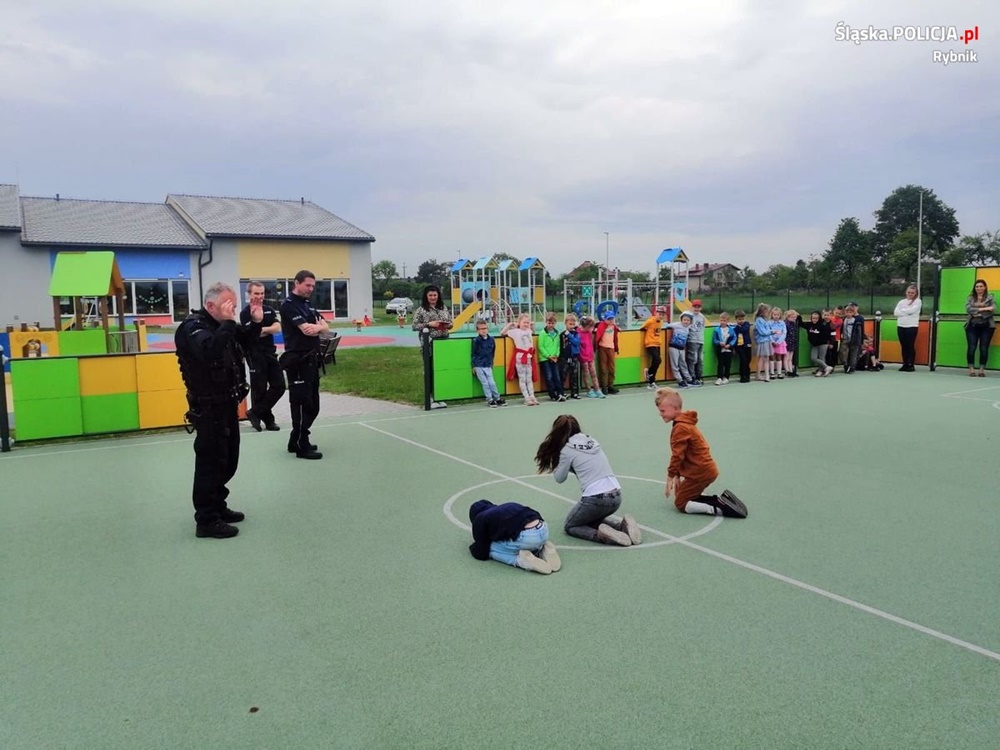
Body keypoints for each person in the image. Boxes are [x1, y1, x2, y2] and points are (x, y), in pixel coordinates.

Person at [175, 282, 262, 539]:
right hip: (208, 405)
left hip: (227, 403)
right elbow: (210, 351)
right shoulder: (193, 328)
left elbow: (245, 342)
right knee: (210, 463)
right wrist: (227, 323)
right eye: (227, 305)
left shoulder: (221, 325)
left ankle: (218, 505)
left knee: (228, 459)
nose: (232, 310)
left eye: (233, 306)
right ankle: (206, 519)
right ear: (210, 305)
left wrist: (255, 323)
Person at [534, 414, 642, 547]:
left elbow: (559, 478)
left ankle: (602, 536)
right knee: (590, 518)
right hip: (617, 496)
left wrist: (558, 462)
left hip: (596, 498)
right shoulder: (591, 441)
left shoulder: (567, 450)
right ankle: (621, 526)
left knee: (571, 525)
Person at [654, 387, 747, 518]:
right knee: (682, 493)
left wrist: (670, 476)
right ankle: (721, 500)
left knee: (681, 503)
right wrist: (677, 476)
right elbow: (683, 453)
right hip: (704, 470)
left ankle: (721, 508)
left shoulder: (681, 427)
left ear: (675, 408)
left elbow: (677, 455)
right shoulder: (684, 423)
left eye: (662, 410)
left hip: (700, 472)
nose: (660, 414)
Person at [280, 270, 326, 459]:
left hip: (312, 360)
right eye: (307, 285)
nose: (311, 289)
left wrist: (319, 327)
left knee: (313, 404)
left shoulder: (307, 304)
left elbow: (325, 328)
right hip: (298, 361)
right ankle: (300, 445)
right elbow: (306, 330)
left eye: (313, 286)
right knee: (301, 403)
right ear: (296, 283)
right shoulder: (289, 305)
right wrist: (318, 328)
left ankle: (297, 438)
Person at [468, 499, 560, 574]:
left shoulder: (480, 519)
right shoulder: (507, 507)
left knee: (489, 548)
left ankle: (521, 561)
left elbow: (481, 553)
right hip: (543, 529)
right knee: (517, 534)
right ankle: (542, 548)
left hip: (528, 537)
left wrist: (473, 548)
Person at [241, 281, 285, 432]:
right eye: (256, 294)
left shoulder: (269, 310)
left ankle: (255, 412)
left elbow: (278, 328)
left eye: (262, 293)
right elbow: (252, 333)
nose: (259, 296)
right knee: (259, 388)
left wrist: (261, 328)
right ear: (249, 295)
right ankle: (268, 420)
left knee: (279, 386)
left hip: (270, 353)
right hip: (254, 354)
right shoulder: (245, 313)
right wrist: (265, 329)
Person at [412, 285, 453, 408]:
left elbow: (451, 322)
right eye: (430, 295)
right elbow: (414, 326)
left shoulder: (443, 307)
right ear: (426, 296)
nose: (433, 297)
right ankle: (429, 398)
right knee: (430, 370)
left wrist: (449, 325)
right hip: (429, 343)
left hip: (443, 342)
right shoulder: (421, 310)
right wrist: (429, 324)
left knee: (441, 370)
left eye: (435, 295)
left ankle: (440, 396)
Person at [502, 314, 540, 405]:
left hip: (529, 358)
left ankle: (532, 396)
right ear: (519, 323)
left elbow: (533, 331)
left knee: (529, 379)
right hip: (520, 358)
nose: (526, 324)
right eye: (524, 322)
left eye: (527, 322)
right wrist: (510, 325)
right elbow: (502, 333)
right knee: (522, 379)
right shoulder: (515, 331)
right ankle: (526, 397)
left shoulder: (529, 331)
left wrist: (532, 324)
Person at [965, 279, 995, 377]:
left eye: (981, 286)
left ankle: (981, 370)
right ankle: (971, 369)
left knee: (983, 348)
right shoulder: (970, 298)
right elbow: (968, 309)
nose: (979, 288)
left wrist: (978, 313)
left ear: (985, 287)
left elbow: (992, 310)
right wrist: (984, 308)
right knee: (972, 347)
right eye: (977, 286)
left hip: (987, 326)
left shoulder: (990, 297)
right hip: (972, 326)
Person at [471, 321, 506, 407]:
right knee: (485, 383)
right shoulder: (476, 340)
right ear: (477, 330)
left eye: (485, 328)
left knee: (492, 383)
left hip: (488, 364)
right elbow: (473, 353)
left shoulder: (492, 339)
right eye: (481, 329)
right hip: (479, 365)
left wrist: (491, 363)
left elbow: (492, 352)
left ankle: (497, 398)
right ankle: (490, 399)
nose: (483, 330)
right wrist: (474, 365)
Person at [893, 284, 922, 372]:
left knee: (910, 345)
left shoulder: (918, 301)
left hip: (911, 326)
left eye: (912, 293)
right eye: (909, 292)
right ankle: (905, 363)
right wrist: (906, 311)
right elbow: (896, 312)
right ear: (906, 293)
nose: (910, 294)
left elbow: (912, 311)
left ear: (916, 293)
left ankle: (911, 364)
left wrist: (903, 311)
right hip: (901, 325)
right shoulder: (901, 302)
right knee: (903, 345)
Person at [538, 313, 566, 402]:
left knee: (556, 376)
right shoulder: (542, 333)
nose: (551, 325)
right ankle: (552, 394)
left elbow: (558, 346)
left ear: (555, 323)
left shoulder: (557, 333)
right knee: (549, 377)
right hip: (545, 359)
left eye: (552, 323)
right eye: (549, 323)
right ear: (546, 323)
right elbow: (540, 346)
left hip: (555, 358)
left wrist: (556, 355)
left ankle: (560, 393)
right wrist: (548, 356)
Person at [798, 310, 833, 376]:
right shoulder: (809, 325)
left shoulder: (823, 325)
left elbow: (828, 335)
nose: (814, 320)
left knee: (822, 358)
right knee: (813, 358)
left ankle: (820, 371)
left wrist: (831, 343)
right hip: (814, 345)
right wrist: (798, 316)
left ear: (819, 318)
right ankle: (827, 367)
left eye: (816, 318)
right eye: (813, 318)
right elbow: (801, 324)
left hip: (823, 344)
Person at [667, 312, 695, 388]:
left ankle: (689, 379)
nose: (686, 322)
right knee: (675, 365)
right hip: (674, 347)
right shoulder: (677, 325)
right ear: (681, 320)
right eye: (684, 320)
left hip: (681, 349)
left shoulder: (688, 327)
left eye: (688, 320)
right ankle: (680, 380)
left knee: (683, 364)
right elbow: (667, 325)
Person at [595, 309, 621, 394]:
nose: (610, 321)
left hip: (611, 348)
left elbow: (616, 331)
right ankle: (604, 386)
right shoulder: (602, 325)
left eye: (612, 319)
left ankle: (610, 385)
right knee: (603, 368)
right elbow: (597, 331)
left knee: (612, 368)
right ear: (605, 319)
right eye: (608, 319)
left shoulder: (614, 326)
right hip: (603, 347)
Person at [559, 313, 582, 399]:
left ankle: (575, 392)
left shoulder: (576, 333)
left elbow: (577, 342)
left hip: (574, 357)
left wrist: (570, 335)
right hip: (564, 358)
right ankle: (561, 392)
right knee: (563, 375)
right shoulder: (562, 334)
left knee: (574, 375)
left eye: (573, 324)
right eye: (570, 324)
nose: (572, 326)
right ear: (565, 324)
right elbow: (561, 346)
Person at [639, 310, 664, 390]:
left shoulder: (660, 322)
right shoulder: (650, 321)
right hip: (650, 343)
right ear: (655, 314)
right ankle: (649, 372)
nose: (661, 316)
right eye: (659, 314)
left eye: (662, 314)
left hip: (657, 343)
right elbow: (642, 327)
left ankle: (651, 382)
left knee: (656, 362)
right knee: (657, 360)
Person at [578, 316, 602, 398]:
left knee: (593, 373)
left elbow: (599, 324)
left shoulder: (589, 332)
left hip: (590, 356)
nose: (593, 328)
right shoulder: (578, 333)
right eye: (591, 327)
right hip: (583, 357)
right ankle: (589, 389)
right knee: (586, 373)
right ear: (587, 326)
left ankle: (597, 389)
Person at [685, 299, 706, 386]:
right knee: (693, 359)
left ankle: (698, 376)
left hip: (700, 340)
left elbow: (703, 328)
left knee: (700, 360)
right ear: (692, 307)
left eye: (698, 307)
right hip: (692, 340)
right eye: (695, 306)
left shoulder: (702, 317)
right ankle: (691, 377)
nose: (696, 308)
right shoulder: (688, 315)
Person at [839, 302, 864, 374]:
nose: (848, 313)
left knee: (854, 354)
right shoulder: (843, 319)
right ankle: (845, 364)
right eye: (847, 312)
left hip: (854, 340)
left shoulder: (857, 320)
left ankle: (852, 367)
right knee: (842, 352)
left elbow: (860, 331)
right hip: (845, 339)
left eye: (850, 312)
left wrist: (860, 341)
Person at [712, 311, 736, 385]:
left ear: (727, 321)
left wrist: (730, 344)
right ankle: (719, 378)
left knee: (727, 364)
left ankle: (726, 377)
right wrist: (719, 343)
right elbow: (714, 339)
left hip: (728, 349)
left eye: (724, 320)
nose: (722, 322)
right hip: (720, 349)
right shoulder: (716, 330)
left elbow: (734, 338)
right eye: (721, 320)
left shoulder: (731, 330)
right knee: (720, 364)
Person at [752, 303, 773, 382]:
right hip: (762, 341)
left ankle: (766, 374)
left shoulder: (764, 320)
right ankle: (759, 375)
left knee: (766, 358)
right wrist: (772, 332)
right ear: (762, 312)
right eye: (767, 312)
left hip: (767, 341)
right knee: (762, 358)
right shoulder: (759, 320)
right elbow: (763, 332)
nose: (768, 313)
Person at [733, 310, 752, 383]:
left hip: (747, 345)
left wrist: (738, 327)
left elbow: (743, 330)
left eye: (742, 319)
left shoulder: (746, 324)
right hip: (740, 346)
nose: (741, 321)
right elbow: (735, 337)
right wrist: (734, 348)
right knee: (743, 361)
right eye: (739, 319)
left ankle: (747, 375)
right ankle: (742, 375)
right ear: (736, 319)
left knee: (748, 360)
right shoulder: (735, 328)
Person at [768, 306, 787, 380]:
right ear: (772, 315)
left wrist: (779, 341)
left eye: (777, 315)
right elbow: (768, 332)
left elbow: (784, 333)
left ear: (780, 315)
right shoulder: (769, 323)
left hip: (780, 342)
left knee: (779, 357)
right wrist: (772, 341)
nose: (776, 316)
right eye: (774, 315)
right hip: (771, 342)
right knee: (772, 357)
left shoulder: (782, 323)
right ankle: (772, 373)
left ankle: (779, 373)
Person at [784, 309, 800, 377]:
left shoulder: (794, 324)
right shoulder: (785, 324)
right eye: (792, 317)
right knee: (786, 357)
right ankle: (787, 370)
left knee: (790, 358)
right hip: (787, 342)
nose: (794, 319)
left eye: (795, 317)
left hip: (792, 342)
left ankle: (791, 370)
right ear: (788, 317)